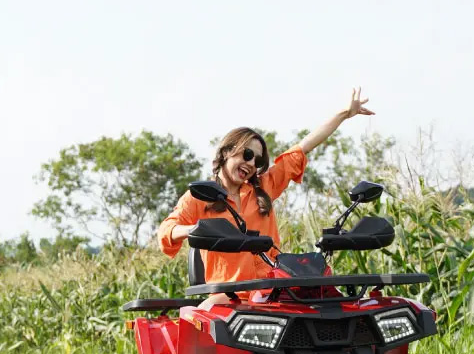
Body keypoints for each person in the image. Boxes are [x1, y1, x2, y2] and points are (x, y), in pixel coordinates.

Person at [157, 88, 375, 306]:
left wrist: (344, 114)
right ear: (226, 151)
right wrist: (195, 230)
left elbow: (303, 147)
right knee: (203, 316)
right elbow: (166, 232)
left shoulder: (264, 188)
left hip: (272, 292)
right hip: (230, 295)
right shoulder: (200, 196)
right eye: (247, 155)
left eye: (258, 161)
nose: (252, 164)